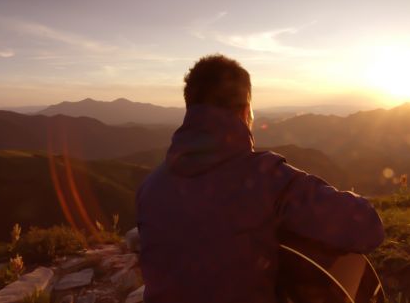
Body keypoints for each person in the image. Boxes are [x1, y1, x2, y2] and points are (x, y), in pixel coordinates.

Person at [136, 54, 384, 303]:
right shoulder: (266, 178)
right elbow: (368, 228)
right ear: (245, 111)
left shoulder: (149, 188)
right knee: (340, 259)